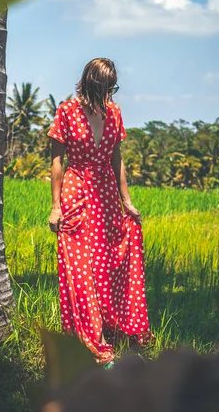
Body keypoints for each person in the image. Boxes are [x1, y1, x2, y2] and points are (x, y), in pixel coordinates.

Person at [47, 58, 153, 368]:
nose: (111, 93)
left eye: (113, 88)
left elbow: (116, 159)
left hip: (106, 196)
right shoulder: (67, 111)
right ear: (94, 84)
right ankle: (90, 341)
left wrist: (127, 201)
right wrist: (55, 207)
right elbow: (57, 163)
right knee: (80, 271)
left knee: (108, 264)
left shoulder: (115, 112)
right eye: (107, 87)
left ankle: (113, 326)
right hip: (76, 194)